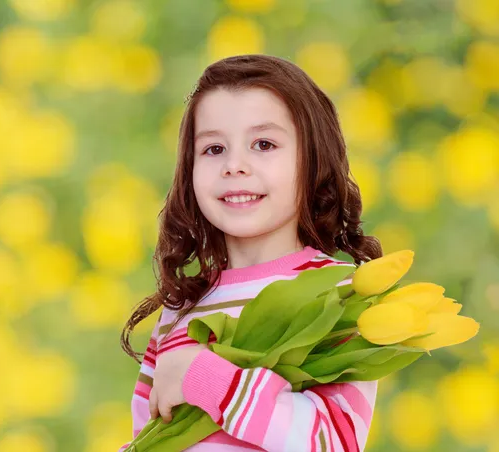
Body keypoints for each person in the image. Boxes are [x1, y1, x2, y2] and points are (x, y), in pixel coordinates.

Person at [118, 54, 383, 452]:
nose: (234, 165)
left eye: (263, 144)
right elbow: (150, 440)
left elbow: (332, 442)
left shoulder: (341, 296)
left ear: (313, 161)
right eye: (213, 149)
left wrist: (204, 378)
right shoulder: (180, 311)